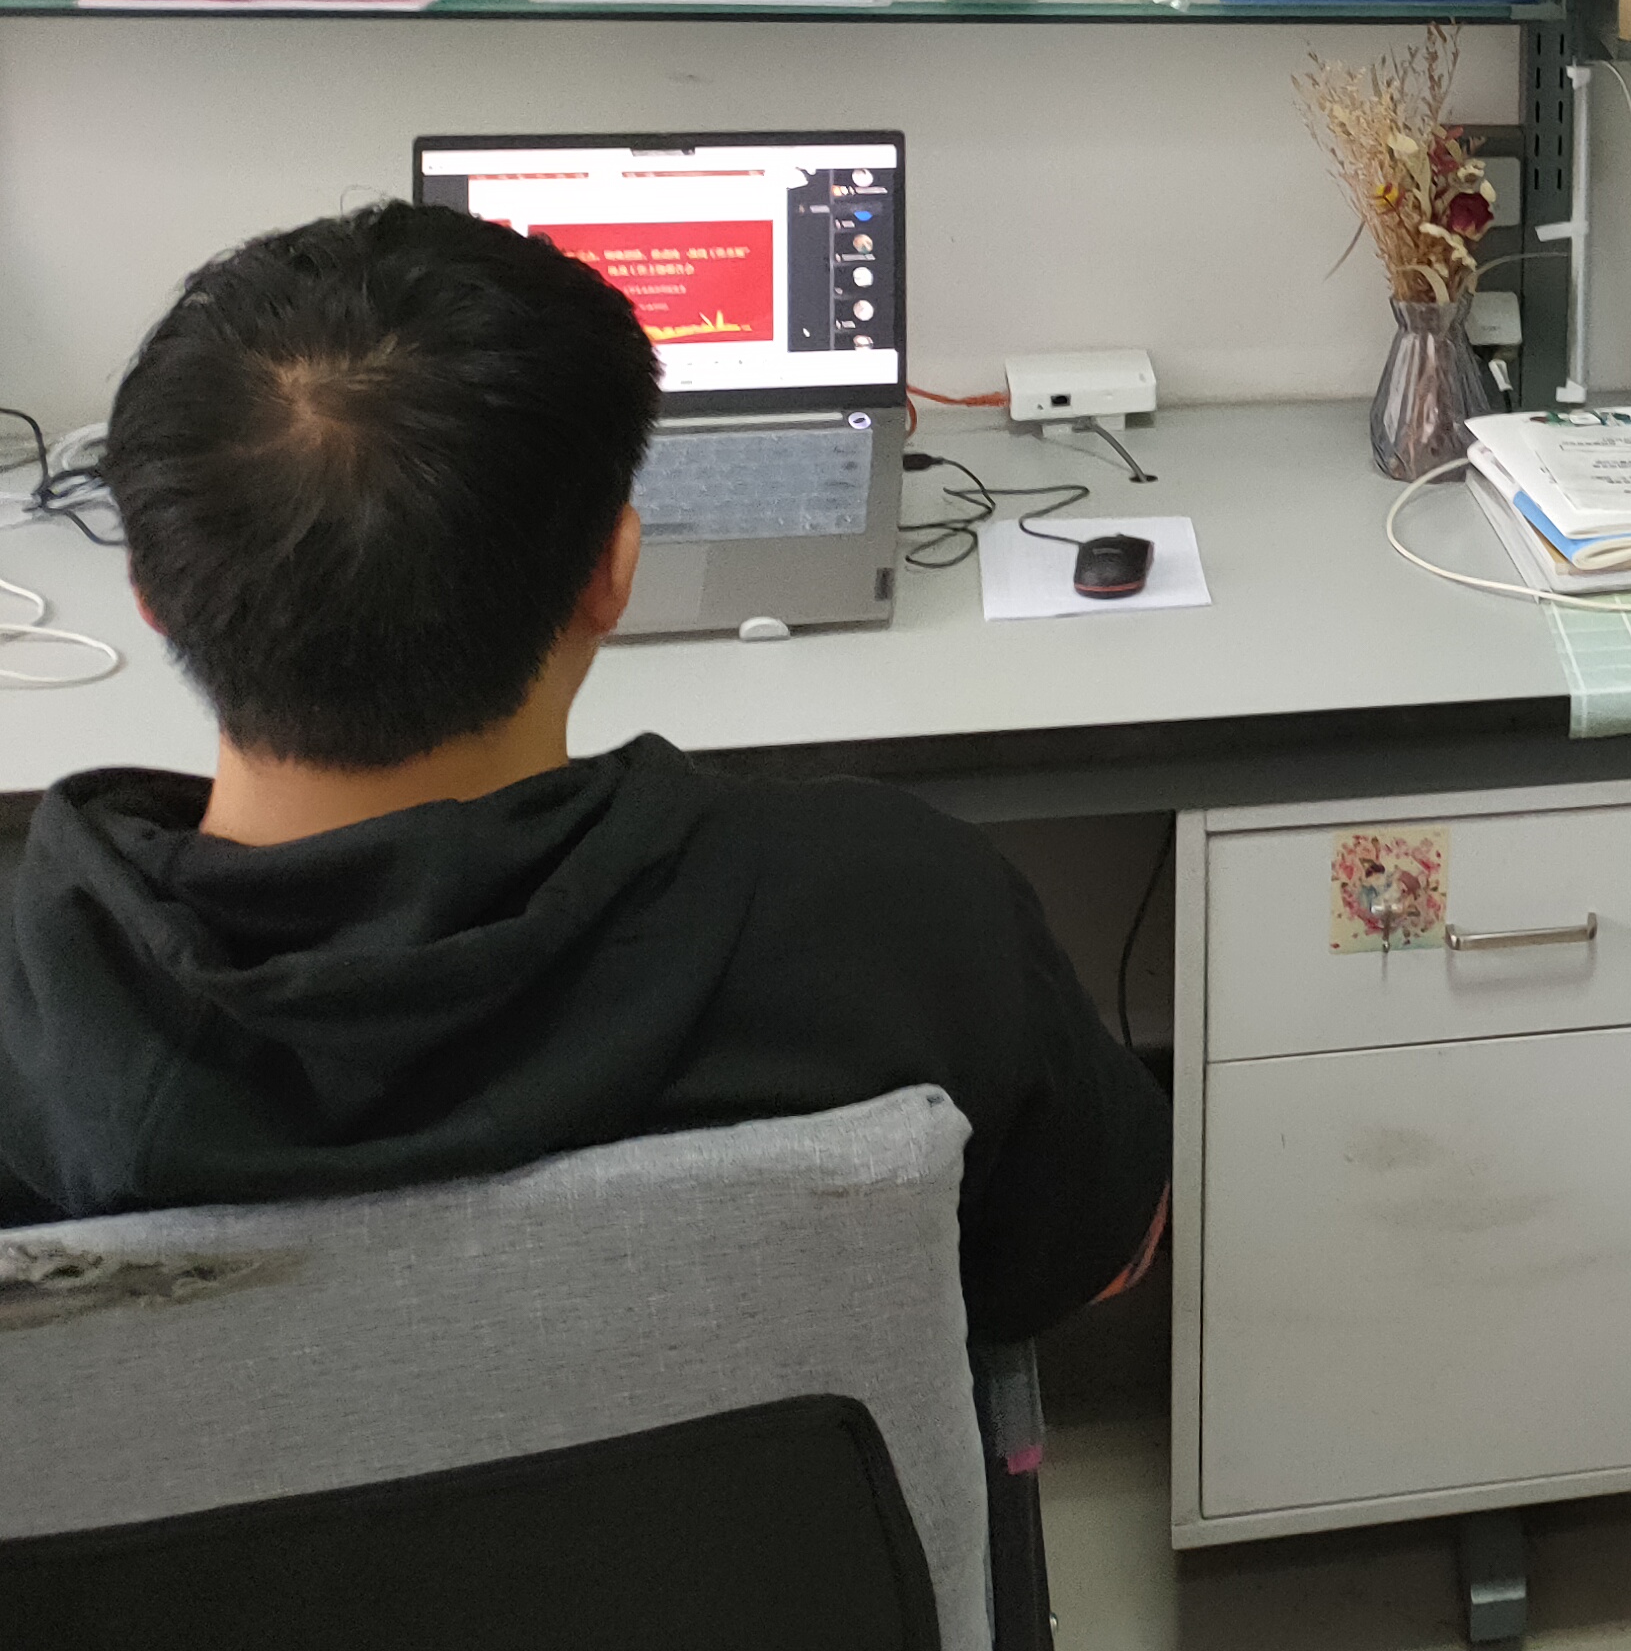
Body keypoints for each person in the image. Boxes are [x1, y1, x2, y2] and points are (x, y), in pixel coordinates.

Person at [0, 204, 1171, 1345]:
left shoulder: (36, 1023)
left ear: (150, 592)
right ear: (613, 573)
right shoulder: (900, 911)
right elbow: (1105, 1257)